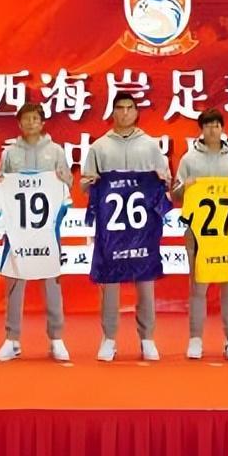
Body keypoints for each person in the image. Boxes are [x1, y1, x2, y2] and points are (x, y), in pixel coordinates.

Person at [82, 91, 170, 361]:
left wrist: (162, 180)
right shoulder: (99, 147)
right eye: (119, 108)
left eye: (129, 107)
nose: (124, 112)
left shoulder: (151, 145)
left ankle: (147, 339)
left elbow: (165, 181)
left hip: (143, 230)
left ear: (136, 111)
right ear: (113, 111)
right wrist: (91, 182)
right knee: (110, 284)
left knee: (145, 284)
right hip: (111, 230)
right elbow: (85, 184)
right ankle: (109, 339)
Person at [0, 103, 72, 362]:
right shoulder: (9, 153)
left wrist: (63, 179)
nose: (30, 123)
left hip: (47, 231)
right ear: (19, 123)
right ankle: (12, 339)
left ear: (42, 122)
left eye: (35, 119)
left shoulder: (56, 151)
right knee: (14, 283)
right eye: (26, 119)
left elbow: (68, 185)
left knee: (51, 284)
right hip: (17, 231)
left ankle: (56, 339)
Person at [173, 108, 228, 361]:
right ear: (201, 129)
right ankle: (195, 339)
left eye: (216, 125)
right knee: (198, 286)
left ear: (222, 128)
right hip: (198, 235)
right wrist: (185, 187)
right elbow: (175, 194)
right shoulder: (189, 159)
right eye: (207, 126)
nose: (212, 130)